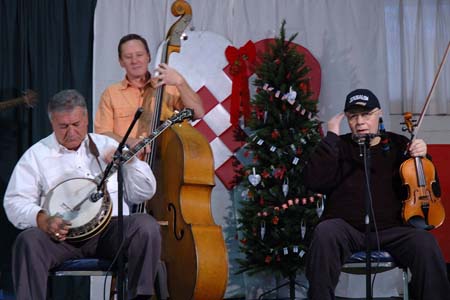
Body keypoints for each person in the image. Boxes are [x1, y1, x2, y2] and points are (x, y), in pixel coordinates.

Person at [3, 89, 161, 300]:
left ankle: (139, 298)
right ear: (52, 123)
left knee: (146, 226)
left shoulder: (109, 146)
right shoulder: (36, 155)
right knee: (28, 240)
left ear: (86, 120)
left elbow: (144, 192)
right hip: (62, 239)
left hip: (110, 233)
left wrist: (130, 163)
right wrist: (42, 219)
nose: (71, 132)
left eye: (76, 125)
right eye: (63, 126)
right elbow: (15, 201)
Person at [304, 88, 450, 300]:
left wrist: (423, 158)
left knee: (425, 243)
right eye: (353, 116)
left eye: (366, 114)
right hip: (347, 229)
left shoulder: (399, 144)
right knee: (324, 232)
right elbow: (313, 181)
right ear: (347, 119)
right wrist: (331, 138)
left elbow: (431, 190)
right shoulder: (337, 146)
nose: (360, 121)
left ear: (379, 114)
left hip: (392, 229)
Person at [94, 33, 204, 149]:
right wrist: (130, 142)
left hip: (163, 163)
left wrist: (180, 82)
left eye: (139, 55)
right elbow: (103, 134)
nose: (134, 61)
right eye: (128, 57)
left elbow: (198, 113)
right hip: (127, 163)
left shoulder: (166, 87)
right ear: (121, 62)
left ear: (149, 57)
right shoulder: (111, 93)